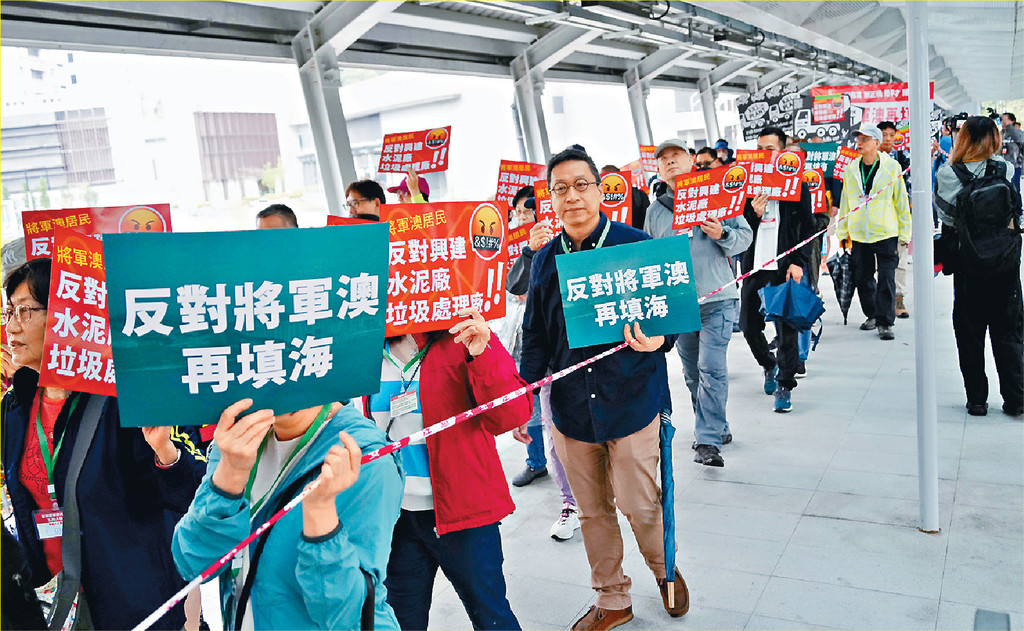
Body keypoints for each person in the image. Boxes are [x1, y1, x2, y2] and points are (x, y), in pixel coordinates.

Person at [522, 146, 688, 630]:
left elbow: (670, 320)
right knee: (593, 511)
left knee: (640, 503)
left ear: (600, 190)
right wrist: (524, 398)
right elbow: (535, 335)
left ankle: (665, 569)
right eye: (560, 188)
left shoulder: (635, 245)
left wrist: (660, 339)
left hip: (632, 402)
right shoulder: (545, 260)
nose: (571, 196)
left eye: (581, 184)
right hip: (572, 409)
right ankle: (613, 599)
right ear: (550, 198)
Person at [2, 258, 207, 630]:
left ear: (64, 316)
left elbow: (193, 490)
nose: (10, 326)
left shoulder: (122, 397)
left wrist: (165, 451)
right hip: (55, 601)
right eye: (9, 311)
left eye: (24, 311)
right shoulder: (15, 406)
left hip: (132, 598)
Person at [173, 395, 403, 630]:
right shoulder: (237, 439)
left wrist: (321, 515)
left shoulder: (365, 459)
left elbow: (348, 617)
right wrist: (229, 474)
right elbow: (193, 564)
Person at [366, 307, 531, 630]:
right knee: (400, 621)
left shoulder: (463, 334)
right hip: (395, 517)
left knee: (491, 615)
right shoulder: (366, 345)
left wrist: (482, 354)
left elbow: (512, 415)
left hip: (464, 512)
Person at [644, 139, 752, 466]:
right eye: (664, 159)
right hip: (679, 305)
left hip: (718, 297)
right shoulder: (655, 211)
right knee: (692, 372)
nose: (671, 162)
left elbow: (743, 239)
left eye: (677, 155)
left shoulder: (718, 196)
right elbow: (648, 259)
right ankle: (716, 424)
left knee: (711, 367)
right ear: (659, 170)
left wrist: (723, 234)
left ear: (691, 160)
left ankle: (706, 439)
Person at [934, 115, 1023, 418]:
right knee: (1008, 333)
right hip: (1005, 264)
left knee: (970, 334)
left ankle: (977, 401)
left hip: (969, 263)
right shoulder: (1006, 169)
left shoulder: (948, 174)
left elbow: (946, 219)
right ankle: (1016, 399)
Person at [505, 193, 582, 541]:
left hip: (593, 356)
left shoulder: (591, 238)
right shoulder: (530, 248)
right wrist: (530, 251)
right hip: (550, 359)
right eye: (519, 212)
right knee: (556, 435)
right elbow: (514, 287)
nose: (522, 217)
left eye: (528, 211)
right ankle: (570, 503)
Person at [738, 128, 815, 413]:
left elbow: (809, 228)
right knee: (748, 325)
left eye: (769, 148)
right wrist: (753, 214)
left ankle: (785, 384)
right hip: (754, 267)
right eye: (759, 148)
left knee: (786, 330)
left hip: (784, 267)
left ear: (782, 151)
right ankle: (768, 365)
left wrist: (798, 261)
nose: (763, 153)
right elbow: (739, 228)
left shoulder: (798, 186)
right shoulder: (747, 185)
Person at [835, 123, 912, 341]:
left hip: (886, 231)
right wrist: (842, 232)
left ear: (876, 143)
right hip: (860, 234)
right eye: (858, 139)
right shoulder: (851, 169)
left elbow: (901, 202)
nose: (859, 143)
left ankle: (885, 322)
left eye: (864, 139)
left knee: (887, 277)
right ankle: (872, 314)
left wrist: (905, 233)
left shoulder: (892, 167)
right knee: (863, 278)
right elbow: (846, 202)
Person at [877, 121, 912, 319]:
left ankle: (898, 298)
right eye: (884, 134)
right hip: (874, 222)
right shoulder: (864, 161)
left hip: (898, 216)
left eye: (892, 135)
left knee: (900, 257)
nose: (888, 139)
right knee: (877, 263)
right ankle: (879, 302)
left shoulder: (902, 157)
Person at [1001, 112, 1023, 192]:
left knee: (1015, 188)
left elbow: (1020, 140)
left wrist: (1009, 127)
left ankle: (1017, 204)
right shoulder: (1002, 133)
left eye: (1005, 120)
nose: (1003, 122)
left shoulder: (1017, 132)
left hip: (1015, 165)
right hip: (1003, 165)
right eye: (1002, 120)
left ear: (1012, 121)